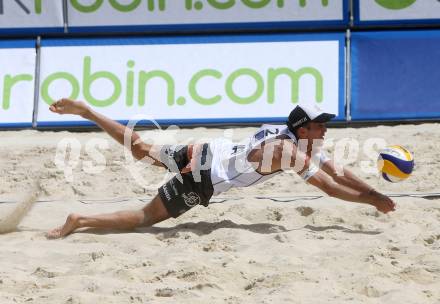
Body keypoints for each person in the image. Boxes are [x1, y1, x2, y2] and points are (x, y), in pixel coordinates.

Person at [46, 99, 395, 239]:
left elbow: (339, 173)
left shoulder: (291, 136)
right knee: (143, 218)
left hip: (205, 150)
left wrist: (375, 192)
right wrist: (371, 203)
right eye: (320, 125)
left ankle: (89, 112)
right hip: (204, 179)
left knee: (139, 147)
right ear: (304, 129)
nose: (325, 130)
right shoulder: (289, 151)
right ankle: (79, 220)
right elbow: (330, 187)